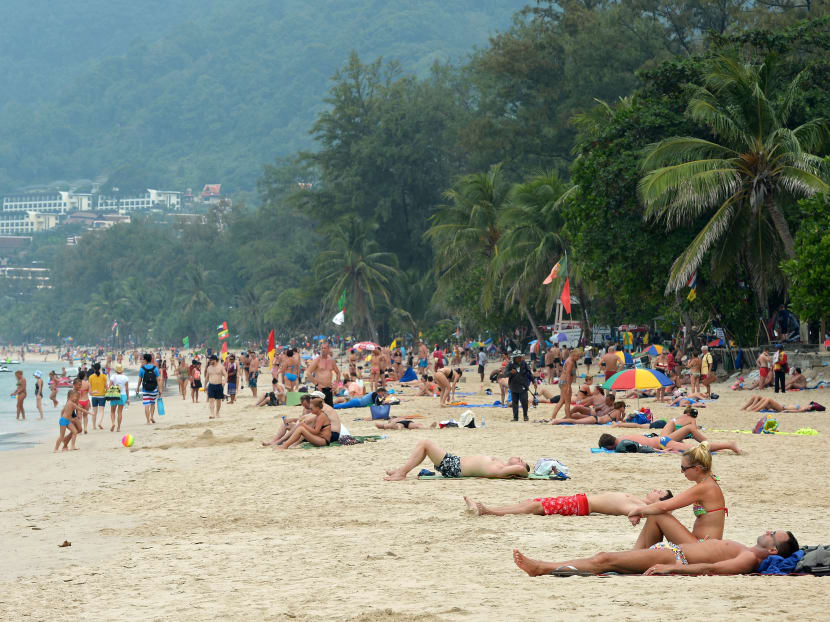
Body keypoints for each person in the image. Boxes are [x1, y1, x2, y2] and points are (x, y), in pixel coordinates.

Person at [513, 529, 799, 576]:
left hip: (673, 558)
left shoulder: (750, 557)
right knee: (608, 562)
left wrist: (671, 568)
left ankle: (542, 567)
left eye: (773, 534)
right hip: (671, 552)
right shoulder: (748, 549)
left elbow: (713, 569)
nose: (768, 529)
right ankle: (552, 567)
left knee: (605, 559)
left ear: (772, 548)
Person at [627, 442, 729, 548]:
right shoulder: (709, 480)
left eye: (683, 468)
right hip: (701, 544)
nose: (681, 471)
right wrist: (643, 512)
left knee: (657, 515)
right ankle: (638, 554)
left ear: (697, 469)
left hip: (703, 548)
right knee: (656, 514)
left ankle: (645, 556)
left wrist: (637, 511)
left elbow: (664, 506)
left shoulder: (705, 487)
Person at [464, 489, 673, 517]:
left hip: (582, 505)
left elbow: (634, 512)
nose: (655, 490)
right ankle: (488, 508)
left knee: (537, 507)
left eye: (660, 492)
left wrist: (637, 514)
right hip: (580, 500)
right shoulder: (638, 500)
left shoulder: (640, 506)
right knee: (534, 502)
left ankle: (487, 510)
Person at [384, 439, 530, 480]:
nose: (519, 459)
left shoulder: (501, 470)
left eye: (521, 460)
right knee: (425, 447)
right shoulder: (500, 464)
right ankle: (401, 471)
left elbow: (523, 470)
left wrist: (522, 468)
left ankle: (401, 473)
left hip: (455, 467)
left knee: (425, 444)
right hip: (455, 463)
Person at [598, 433, 741, 455]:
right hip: (661, 441)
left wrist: (662, 452)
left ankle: (729, 444)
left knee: (696, 449)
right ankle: (728, 445)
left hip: (662, 443)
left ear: (610, 446)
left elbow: (643, 447)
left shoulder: (624, 443)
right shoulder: (623, 438)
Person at [305, 342, 341, 406]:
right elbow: (308, 373)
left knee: (329, 410)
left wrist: (336, 385)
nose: (323, 350)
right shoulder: (317, 360)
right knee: (319, 409)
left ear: (328, 349)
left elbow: (338, 373)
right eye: (322, 348)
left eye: (325, 348)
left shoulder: (331, 360)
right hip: (320, 389)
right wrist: (316, 385)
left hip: (329, 389)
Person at [550, 349, 578, 420]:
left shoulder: (569, 360)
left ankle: (552, 417)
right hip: (565, 383)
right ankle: (568, 418)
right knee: (567, 402)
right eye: (578, 356)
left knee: (562, 401)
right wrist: (569, 386)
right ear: (574, 355)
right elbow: (568, 374)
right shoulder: (570, 362)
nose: (578, 358)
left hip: (562, 382)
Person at [505, 350, 531, 422]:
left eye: (520, 357)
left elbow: (529, 373)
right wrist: (510, 372)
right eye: (518, 357)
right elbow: (505, 374)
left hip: (523, 385)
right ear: (514, 358)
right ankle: (515, 417)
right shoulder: (510, 364)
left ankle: (525, 416)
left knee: (524, 401)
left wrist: (534, 381)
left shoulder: (524, 364)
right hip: (514, 386)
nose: (519, 359)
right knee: (515, 402)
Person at [137, 353, 161, 424]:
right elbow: (158, 379)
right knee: (152, 404)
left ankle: (147, 421)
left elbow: (140, 380)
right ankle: (152, 417)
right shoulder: (155, 368)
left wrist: (137, 388)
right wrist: (159, 389)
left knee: (146, 404)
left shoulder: (142, 369)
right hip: (154, 389)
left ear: (145, 360)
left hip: (145, 389)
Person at [108, 363, 129, 432]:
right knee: (119, 412)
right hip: (123, 395)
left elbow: (109, 387)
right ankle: (118, 428)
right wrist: (128, 398)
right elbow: (126, 389)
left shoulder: (113, 377)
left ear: (116, 370)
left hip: (115, 394)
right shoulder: (125, 377)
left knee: (112, 411)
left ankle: (113, 423)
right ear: (122, 370)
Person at [205, 355, 227, 419]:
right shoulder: (209, 368)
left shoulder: (221, 367)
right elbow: (206, 378)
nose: (210, 361)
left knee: (218, 400)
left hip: (219, 385)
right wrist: (205, 386)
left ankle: (217, 413)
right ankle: (212, 414)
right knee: (211, 399)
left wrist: (224, 381)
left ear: (215, 360)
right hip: (211, 385)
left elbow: (226, 375)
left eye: (211, 360)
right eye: (210, 360)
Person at [739, 395, 821, 412]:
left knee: (768, 399)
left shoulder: (804, 409)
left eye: (810, 405)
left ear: (810, 408)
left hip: (781, 408)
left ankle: (754, 409)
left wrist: (787, 411)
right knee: (756, 396)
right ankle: (744, 408)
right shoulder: (803, 406)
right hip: (780, 406)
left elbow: (797, 411)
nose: (809, 404)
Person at [88, 362, 108, 431]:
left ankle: (94, 426)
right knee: (101, 411)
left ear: (93, 368)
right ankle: (99, 423)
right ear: (100, 368)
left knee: (94, 412)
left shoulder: (90, 377)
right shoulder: (104, 376)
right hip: (102, 396)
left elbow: (89, 390)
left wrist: (92, 393)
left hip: (94, 397)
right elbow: (106, 387)